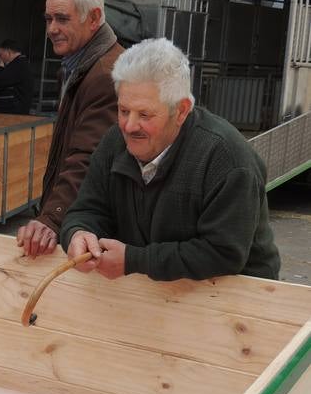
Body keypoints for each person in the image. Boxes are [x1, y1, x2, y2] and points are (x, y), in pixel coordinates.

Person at [61, 38, 281, 282]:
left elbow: (223, 253)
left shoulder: (227, 159)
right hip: (154, 291)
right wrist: (78, 232)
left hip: (239, 300)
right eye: (123, 111)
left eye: (145, 114)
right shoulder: (114, 142)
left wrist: (135, 260)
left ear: (182, 110)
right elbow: (88, 208)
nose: (129, 126)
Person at [17, 0, 124, 258]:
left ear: (93, 18)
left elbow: (88, 156)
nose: (52, 28)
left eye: (62, 19)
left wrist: (53, 217)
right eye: (48, 19)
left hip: (94, 223)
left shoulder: (105, 74)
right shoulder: (80, 66)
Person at [0, 39, 33, 114]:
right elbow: (8, 89)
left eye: (0, 55)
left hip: (14, 112)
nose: (0, 58)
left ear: (8, 52)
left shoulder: (18, 65)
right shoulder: (20, 63)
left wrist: (0, 67)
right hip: (16, 109)